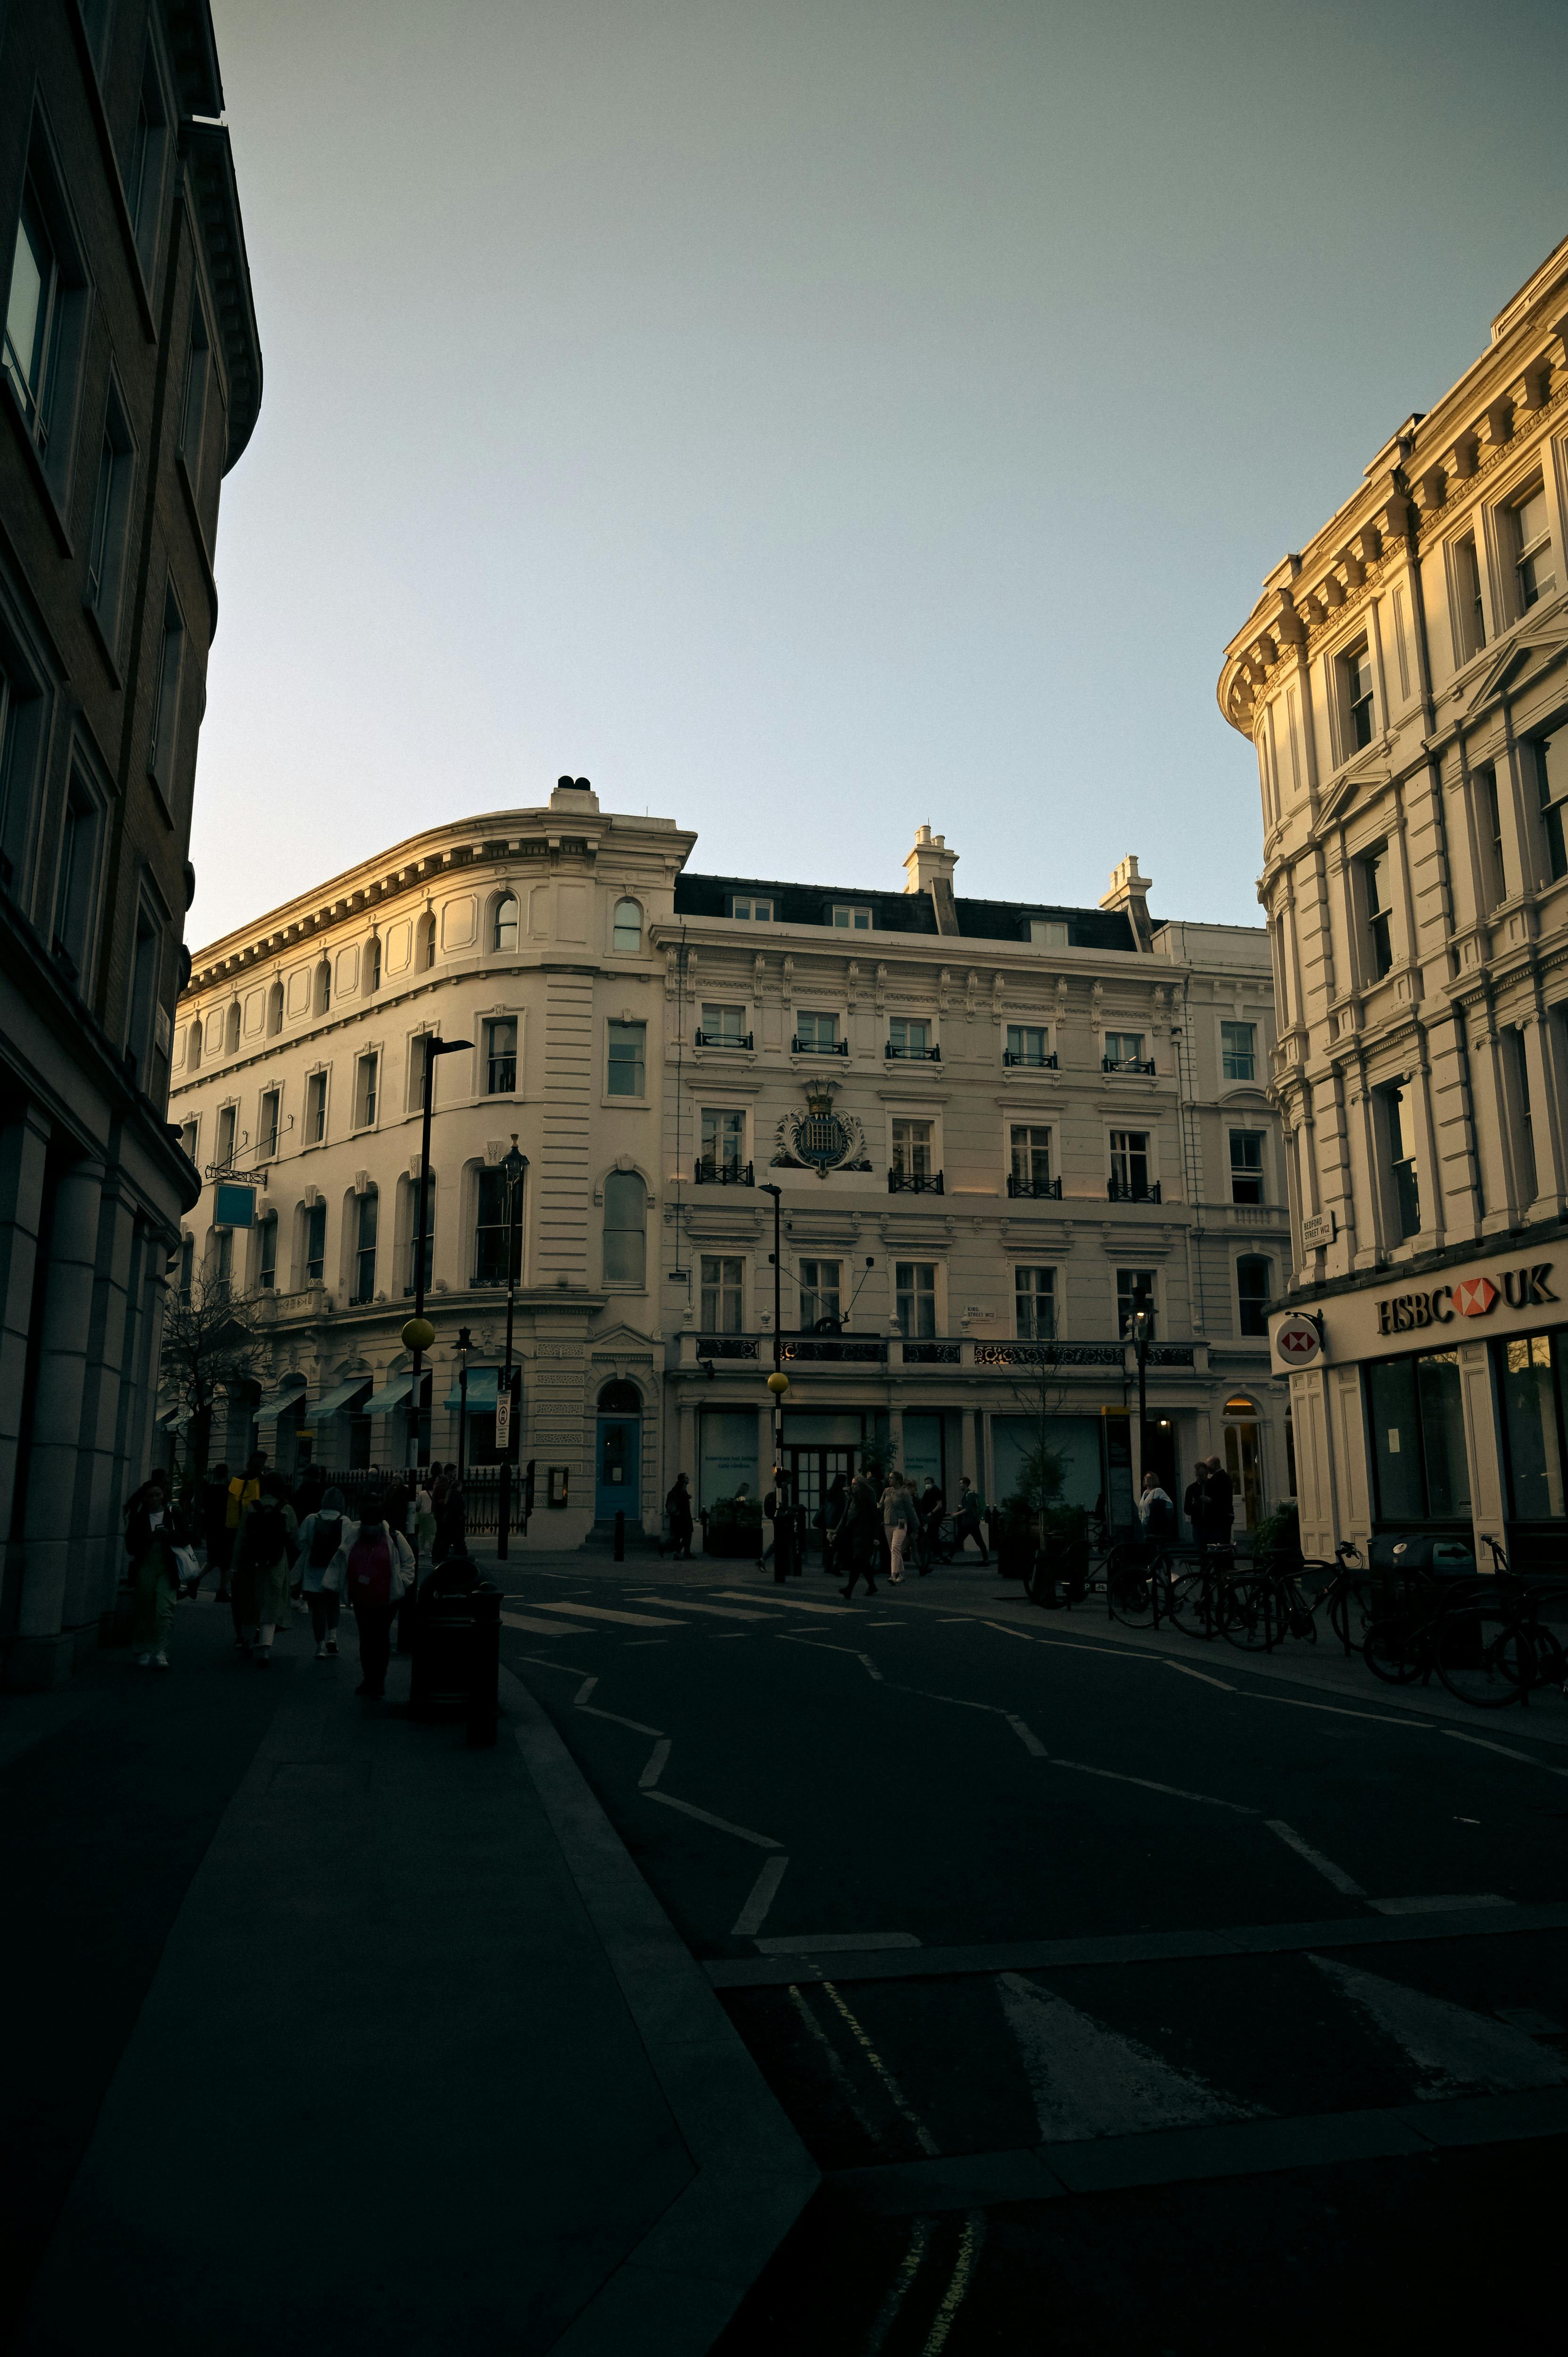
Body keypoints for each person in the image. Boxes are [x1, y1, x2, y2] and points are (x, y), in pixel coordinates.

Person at [333, 1498, 415, 1699]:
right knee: (367, 1638)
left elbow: (409, 1561)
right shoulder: (354, 1536)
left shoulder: (394, 1537)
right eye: (368, 1524)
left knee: (379, 1637)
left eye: (374, 1524)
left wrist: (401, 1582)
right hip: (362, 1597)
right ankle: (369, 1677)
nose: (371, 1528)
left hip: (387, 1597)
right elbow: (341, 1560)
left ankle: (377, 1680)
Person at [232, 1473, 298, 1665]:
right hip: (277, 1560)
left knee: (251, 1600)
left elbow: (241, 1537)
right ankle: (266, 1648)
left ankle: (247, 1641)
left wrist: (234, 1567)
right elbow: (295, 1535)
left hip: (251, 1561)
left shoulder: (251, 1507)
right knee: (272, 1602)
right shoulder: (286, 1508)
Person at [125, 1471, 187, 1668]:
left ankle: (160, 1650)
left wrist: (169, 1535)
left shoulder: (173, 1514)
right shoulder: (139, 1518)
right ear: (144, 1498)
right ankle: (144, 1648)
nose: (155, 1499)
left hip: (168, 1569)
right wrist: (148, 1539)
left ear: (164, 1496)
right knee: (144, 1609)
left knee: (165, 1610)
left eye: (158, 1495)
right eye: (151, 1496)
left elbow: (188, 1538)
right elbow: (131, 1547)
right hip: (146, 1567)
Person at [295, 1485, 348, 1658]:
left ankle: (320, 1646)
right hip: (335, 1569)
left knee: (318, 1608)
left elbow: (300, 1542)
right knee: (333, 1603)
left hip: (314, 1569)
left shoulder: (312, 1518)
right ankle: (333, 1637)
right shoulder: (345, 1521)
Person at [225, 1453, 265, 1628]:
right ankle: (254, 1625)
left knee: (239, 1588)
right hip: (258, 1539)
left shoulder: (237, 1482)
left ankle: (240, 1629)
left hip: (235, 1534)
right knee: (258, 1589)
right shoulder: (262, 1482)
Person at [835, 1473, 881, 1600]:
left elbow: (875, 1518)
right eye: (852, 1484)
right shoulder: (851, 1499)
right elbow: (845, 1516)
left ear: (861, 1486)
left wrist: (876, 1537)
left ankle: (849, 1589)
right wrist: (837, 1532)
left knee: (858, 1561)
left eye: (855, 1485)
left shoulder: (867, 1499)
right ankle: (872, 1586)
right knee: (863, 1563)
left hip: (864, 1535)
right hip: (853, 1534)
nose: (852, 1487)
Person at [193, 1461, 231, 1598]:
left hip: (211, 1528)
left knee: (213, 1559)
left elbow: (202, 1509)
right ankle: (222, 1591)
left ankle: (197, 1579)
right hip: (225, 1528)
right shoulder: (228, 1493)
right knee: (226, 1561)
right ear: (226, 1474)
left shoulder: (208, 1490)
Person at [881, 1472, 918, 1584]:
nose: (889, 1480)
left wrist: (916, 1525)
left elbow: (910, 1510)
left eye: (892, 1478)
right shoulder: (887, 1491)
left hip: (900, 1523)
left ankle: (893, 1575)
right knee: (894, 1550)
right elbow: (881, 1505)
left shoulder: (904, 1493)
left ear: (898, 1480)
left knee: (896, 1548)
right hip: (888, 1523)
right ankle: (902, 1574)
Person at [953, 1474, 990, 1564]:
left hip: (971, 1522)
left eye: (961, 1483)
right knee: (964, 1540)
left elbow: (968, 1509)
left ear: (966, 1484)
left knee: (977, 1541)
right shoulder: (966, 1495)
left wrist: (956, 1514)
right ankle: (986, 1560)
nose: (960, 1485)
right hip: (969, 1522)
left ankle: (986, 1560)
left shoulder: (970, 1495)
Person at [818, 1471, 848, 1576]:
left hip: (830, 1522)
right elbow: (845, 1507)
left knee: (833, 1544)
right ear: (841, 1482)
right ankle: (836, 1566)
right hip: (838, 1523)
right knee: (840, 1545)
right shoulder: (841, 1495)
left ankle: (829, 1566)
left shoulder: (831, 1493)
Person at [1204, 1456, 1236, 1551]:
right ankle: (1227, 1563)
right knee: (1225, 1542)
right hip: (1227, 1514)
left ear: (1213, 1465)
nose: (1207, 1468)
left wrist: (1210, 1501)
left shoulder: (1217, 1479)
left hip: (1221, 1516)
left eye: (1208, 1465)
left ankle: (1223, 1564)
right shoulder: (1226, 1477)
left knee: (1221, 1543)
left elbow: (1222, 1498)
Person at [915, 1476, 946, 1574]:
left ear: (932, 1483)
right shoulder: (928, 1492)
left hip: (935, 1517)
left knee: (933, 1534)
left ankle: (937, 1554)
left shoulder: (936, 1491)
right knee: (933, 1535)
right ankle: (935, 1554)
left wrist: (932, 1513)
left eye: (928, 1483)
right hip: (929, 1517)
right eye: (926, 1483)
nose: (927, 1485)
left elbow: (940, 1505)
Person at [1138, 1467, 1176, 1545]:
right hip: (1144, 1524)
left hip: (1154, 1524)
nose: (1148, 1479)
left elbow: (1169, 1504)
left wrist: (1155, 1502)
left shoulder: (1158, 1491)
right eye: (1146, 1478)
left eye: (1150, 1478)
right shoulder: (1145, 1492)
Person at [433, 1475, 467, 1564]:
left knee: (446, 1541)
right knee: (458, 1542)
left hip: (449, 1520)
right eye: (461, 1486)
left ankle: (440, 1558)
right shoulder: (456, 1495)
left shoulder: (449, 1493)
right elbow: (458, 1509)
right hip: (455, 1522)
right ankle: (461, 1558)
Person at [666, 1473, 694, 1560]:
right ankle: (678, 1552)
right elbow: (681, 1502)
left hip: (682, 1517)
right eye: (686, 1478)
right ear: (683, 1480)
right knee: (686, 1535)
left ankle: (685, 1552)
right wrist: (688, 1497)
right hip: (682, 1517)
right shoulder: (680, 1489)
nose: (688, 1479)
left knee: (683, 1535)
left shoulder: (680, 1488)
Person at [1183, 1462, 1210, 1547]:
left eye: (1201, 1475)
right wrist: (1194, 1504)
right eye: (1197, 1476)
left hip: (1212, 1524)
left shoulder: (1213, 1486)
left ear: (1207, 1473)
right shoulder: (1191, 1489)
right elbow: (1187, 1510)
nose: (1199, 1478)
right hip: (1198, 1525)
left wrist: (1210, 1501)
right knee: (1200, 1549)